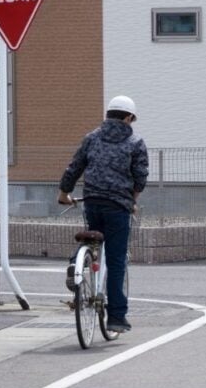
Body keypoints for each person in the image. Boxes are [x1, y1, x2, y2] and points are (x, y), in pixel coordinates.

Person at [58, 95, 149, 333]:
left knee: (92, 238)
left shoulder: (92, 138)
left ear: (108, 115)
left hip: (93, 202)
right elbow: (140, 178)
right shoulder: (135, 142)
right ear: (128, 117)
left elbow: (75, 167)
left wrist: (64, 193)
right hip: (118, 206)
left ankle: (74, 263)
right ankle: (117, 317)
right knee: (116, 260)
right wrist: (132, 200)